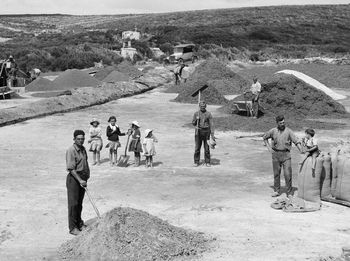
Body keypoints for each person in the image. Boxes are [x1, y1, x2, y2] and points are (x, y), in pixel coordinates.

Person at [263, 115, 302, 197]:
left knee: (288, 174)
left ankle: (289, 192)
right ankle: (276, 191)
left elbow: (296, 141)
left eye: (283, 122)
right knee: (276, 174)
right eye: (281, 123)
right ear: (277, 123)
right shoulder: (273, 131)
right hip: (276, 154)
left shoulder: (289, 131)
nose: (282, 124)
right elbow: (265, 137)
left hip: (286, 155)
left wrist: (301, 151)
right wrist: (269, 148)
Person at [65, 130, 90, 236]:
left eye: (82, 139)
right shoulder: (71, 150)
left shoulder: (83, 149)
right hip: (74, 179)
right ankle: (72, 228)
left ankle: (79, 223)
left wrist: (86, 177)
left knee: (79, 204)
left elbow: (85, 162)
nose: (81, 141)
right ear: (74, 139)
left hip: (83, 179)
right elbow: (71, 168)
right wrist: (80, 180)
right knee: (73, 204)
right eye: (79, 139)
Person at [192, 101, 215, 167]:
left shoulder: (208, 114)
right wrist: (196, 120)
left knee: (207, 148)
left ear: (205, 106)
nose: (202, 108)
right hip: (198, 132)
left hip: (207, 132)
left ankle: (207, 161)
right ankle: (196, 161)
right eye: (201, 106)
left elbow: (212, 124)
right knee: (197, 148)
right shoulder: (196, 114)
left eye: (204, 106)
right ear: (199, 106)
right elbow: (193, 123)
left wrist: (212, 134)